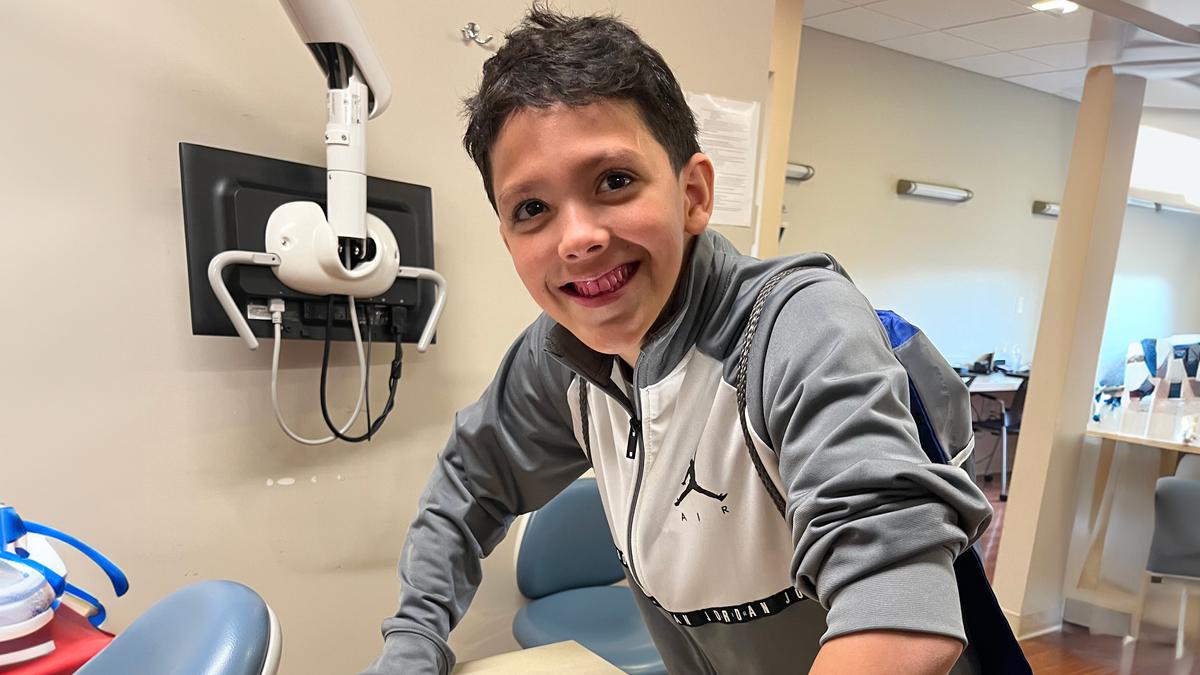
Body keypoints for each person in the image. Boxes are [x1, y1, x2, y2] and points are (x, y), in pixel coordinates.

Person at [361, 6, 996, 674]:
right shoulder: (559, 360)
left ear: (692, 193)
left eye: (613, 181)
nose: (577, 238)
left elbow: (896, 613)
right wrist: (414, 642)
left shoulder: (798, 330)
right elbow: (467, 485)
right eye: (532, 209)